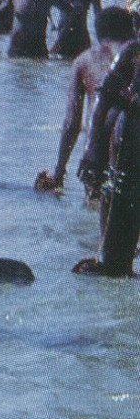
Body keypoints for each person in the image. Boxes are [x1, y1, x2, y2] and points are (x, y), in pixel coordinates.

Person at [41, 7, 134, 197]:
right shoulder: (135, 57)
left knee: (96, 204)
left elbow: (72, 123)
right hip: (131, 134)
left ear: (98, 33)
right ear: (130, 31)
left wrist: (59, 170)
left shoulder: (85, 60)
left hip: (98, 139)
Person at [73, 36, 140, 276]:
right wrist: (92, 151)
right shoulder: (133, 52)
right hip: (130, 152)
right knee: (117, 262)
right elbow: (102, 101)